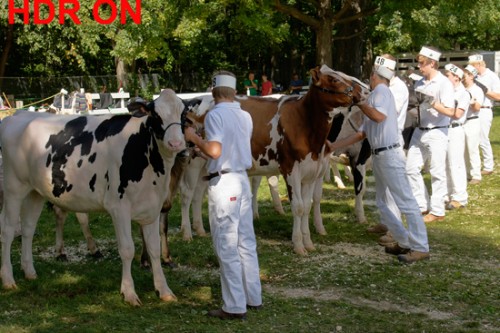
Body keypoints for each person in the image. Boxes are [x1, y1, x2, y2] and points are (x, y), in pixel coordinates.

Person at [326, 62, 430, 264]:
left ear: (375, 76)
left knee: (405, 201)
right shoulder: (376, 95)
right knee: (383, 202)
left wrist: (360, 102)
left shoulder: (382, 91)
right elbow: (362, 133)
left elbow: (379, 117)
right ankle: (404, 241)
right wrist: (334, 145)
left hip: (389, 154)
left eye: (371, 76)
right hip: (381, 155)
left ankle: (420, 246)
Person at [184, 70, 262, 320]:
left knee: (226, 245)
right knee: (246, 242)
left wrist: (194, 137)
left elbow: (216, 150)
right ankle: (253, 297)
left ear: (214, 92)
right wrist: (202, 151)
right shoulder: (245, 116)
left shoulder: (215, 115)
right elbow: (229, 150)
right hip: (241, 179)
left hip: (225, 184)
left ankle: (234, 305)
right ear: (234, 92)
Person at [406, 46, 455, 223]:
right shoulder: (419, 83)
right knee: (411, 168)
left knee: (437, 171)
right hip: (419, 129)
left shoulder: (444, 83)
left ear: (432, 63)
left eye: (422, 63)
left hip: (437, 131)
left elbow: (451, 111)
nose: (420, 67)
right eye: (419, 63)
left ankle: (437, 210)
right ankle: (421, 204)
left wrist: (433, 103)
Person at [366, 55, 409, 238]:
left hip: (392, 137)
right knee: (382, 189)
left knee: (392, 191)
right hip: (380, 138)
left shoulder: (396, 88)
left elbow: (386, 113)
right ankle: (386, 221)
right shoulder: (383, 88)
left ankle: (395, 228)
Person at [468, 54, 500, 175]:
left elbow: (498, 96)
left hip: (484, 109)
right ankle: (473, 165)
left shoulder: (492, 76)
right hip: (472, 108)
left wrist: (486, 91)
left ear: (479, 64)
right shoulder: (473, 76)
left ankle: (488, 166)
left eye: (473, 66)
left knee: (482, 138)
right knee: (472, 138)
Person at [443, 64, 470, 210]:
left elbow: (457, 114)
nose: (446, 78)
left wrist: (439, 107)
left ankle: (460, 196)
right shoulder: (447, 91)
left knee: (456, 163)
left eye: (448, 76)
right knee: (445, 163)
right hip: (444, 129)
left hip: (455, 129)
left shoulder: (463, 93)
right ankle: (447, 193)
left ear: (457, 77)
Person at [462, 65, 484, 185]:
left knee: (472, 148)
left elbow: (477, 107)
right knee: (463, 150)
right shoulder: (461, 89)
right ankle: (466, 173)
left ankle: (476, 174)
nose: (462, 79)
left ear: (471, 76)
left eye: (464, 76)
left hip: (472, 120)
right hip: (461, 122)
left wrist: (471, 102)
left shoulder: (477, 90)